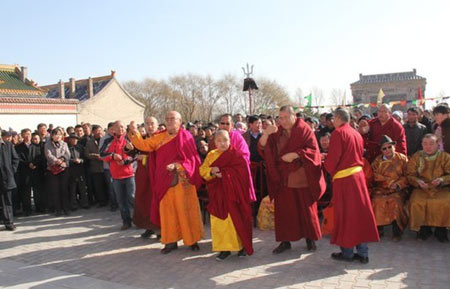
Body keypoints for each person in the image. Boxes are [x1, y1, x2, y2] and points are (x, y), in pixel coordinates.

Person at [128, 111, 204, 254]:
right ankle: (170, 241)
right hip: (164, 181)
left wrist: (178, 166)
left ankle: (191, 240)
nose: (169, 121)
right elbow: (143, 145)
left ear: (180, 121)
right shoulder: (159, 137)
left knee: (186, 210)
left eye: (173, 119)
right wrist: (134, 132)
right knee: (168, 212)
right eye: (167, 119)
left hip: (183, 181)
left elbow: (192, 160)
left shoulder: (186, 137)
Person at [259, 105, 326, 254]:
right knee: (284, 211)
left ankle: (310, 238)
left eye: (285, 117)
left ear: (294, 115)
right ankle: (285, 241)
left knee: (306, 210)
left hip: (302, 176)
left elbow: (314, 151)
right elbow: (263, 147)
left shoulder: (304, 130)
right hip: (283, 177)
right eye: (280, 118)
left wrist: (296, 154)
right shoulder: (277, 132)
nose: (282, 121)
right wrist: (266, 134)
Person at [324, 108, 379, 264]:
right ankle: (363, 253)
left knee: (345, 216)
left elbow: (334, 158)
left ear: (339, 118)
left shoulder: (338, 133)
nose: (332, 121)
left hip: (345, 180)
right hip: (358, 177)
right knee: (359, 215)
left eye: (333, 118)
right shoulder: (356, 133)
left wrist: (325, 165)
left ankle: (347, 253)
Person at [200, 130, 254, 261]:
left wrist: (224, 174)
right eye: (219, 141)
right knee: (220, 221)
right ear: (214, 142)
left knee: (236, 219)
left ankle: (241, 247)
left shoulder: (237, 155)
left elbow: (243, 174)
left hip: (234, 195)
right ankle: (224, 249)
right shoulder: (211, 155)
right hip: (218, 194)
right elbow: (202, 170)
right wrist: (212, 172)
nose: (222, 143)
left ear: (230, 141)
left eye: (225, 140)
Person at [406, 134, 450, 242]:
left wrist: (441, 180)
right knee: (416, 202)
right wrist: (418, 181)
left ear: (437, 144)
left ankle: (441, 229)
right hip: (422, 188)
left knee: (445, 202)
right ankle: (423, 229)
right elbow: (409, 174)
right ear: (421, 144)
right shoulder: (417, 156)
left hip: (440, 188)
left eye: (431, 143)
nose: (428, 147)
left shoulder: (445, 157)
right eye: (425, 144)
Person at [371, 135, 409, 242]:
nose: (387, 150)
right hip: (381, 189)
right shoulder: (377, 161)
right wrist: (389, 182)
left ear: (394, 147)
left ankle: (397, 230)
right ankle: (379, 228)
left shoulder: (402, 159)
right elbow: (375, 176)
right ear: (381, 150)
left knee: (396, 202)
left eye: (389, 147)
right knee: (377, 201)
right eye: (384, 148)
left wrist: (397, 184)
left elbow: (408, 175)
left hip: (398, 190)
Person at [129, 116, 160, 239]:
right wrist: (128, 148)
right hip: (143, 173)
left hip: (156, 173)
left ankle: (160, 229)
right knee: (143, 199)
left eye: (152, 123)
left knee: (155, 200)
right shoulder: (142, 139)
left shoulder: (161, 139)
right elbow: (133, 152)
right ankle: (148, 227)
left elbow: (163, 157)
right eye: (147, 124)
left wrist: (146, 158)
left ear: (157, 125)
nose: (150, 126)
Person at [102, 121, 135, 230]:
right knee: (121, 201)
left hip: (129, 174)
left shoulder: (130, 139)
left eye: (122, 126)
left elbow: (135, 155)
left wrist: (125, 162)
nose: (120, 129)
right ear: (113, 130)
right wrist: (112, 156)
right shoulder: (108, 141)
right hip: (115, 175)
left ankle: (139, 220)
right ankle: (126, 221)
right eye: (117, 127)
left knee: (132, 198)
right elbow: (102, 155)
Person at [44, 128, 71, 216]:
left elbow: (67, 154)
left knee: (64, 189)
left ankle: (66, 208)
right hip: (52, 169)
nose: (58, 136)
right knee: (56, 190)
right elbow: (48, 155)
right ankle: (58, 209)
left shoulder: (64, 144)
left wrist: (62, 160)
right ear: (52, 136)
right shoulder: (47, 144)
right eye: (56, 134)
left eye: (59, 134)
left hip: (63, 168)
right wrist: (56, 161)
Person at [15, 129, 42, 216]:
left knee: (37, 191)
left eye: (29, 134)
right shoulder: (18, 147)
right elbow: (18, 159)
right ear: (22, 136)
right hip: (25, 172)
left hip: (35, 171)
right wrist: (28, 164)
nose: (27, 136)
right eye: (25, 134)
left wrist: (34, 164)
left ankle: (39, 208)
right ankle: (27, 209)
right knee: (26, 192)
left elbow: (40, 157)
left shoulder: (36, 146)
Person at [0, 129, 19, 230]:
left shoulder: (8, 145)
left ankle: (9, 222)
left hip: (6, 178)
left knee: (7, 202)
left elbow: (15, 159)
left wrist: (11, 171)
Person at [84, 125, 107, 207]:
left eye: (100, 130)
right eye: (97, 131)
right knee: (98, 186)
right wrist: (95, 156)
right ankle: (101, 201)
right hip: (96, 167)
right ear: (93, 132)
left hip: (106, 166)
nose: (99, 132)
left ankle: (110, 201)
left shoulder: (105, 140)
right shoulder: (89, 142)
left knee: (108, 184)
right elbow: (87, 154)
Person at [99, 122, 118, 211]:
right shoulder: (104, 139)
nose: (113, 131)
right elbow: (101, 153)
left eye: (115, 129)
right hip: (108, 166)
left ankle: (119, 203)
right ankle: (113, 204)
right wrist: (112, 155)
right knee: (111, 186)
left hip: (118, 166)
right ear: (108, 130)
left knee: (118, 186)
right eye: (111, 129)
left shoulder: (118, 137)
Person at [67, 134, 89, 210]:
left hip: (80, 170)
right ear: (70, 140)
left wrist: (81, 160)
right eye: (73, 139)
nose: (74, 140)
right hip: (71, 170)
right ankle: (73, 205)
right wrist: (73, 161)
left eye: (76, 139)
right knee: (72, 189)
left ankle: (85, 203)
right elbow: (65, 158)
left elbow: (85, 158)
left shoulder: (81, 148)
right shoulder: (66, 148)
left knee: (82, 188)